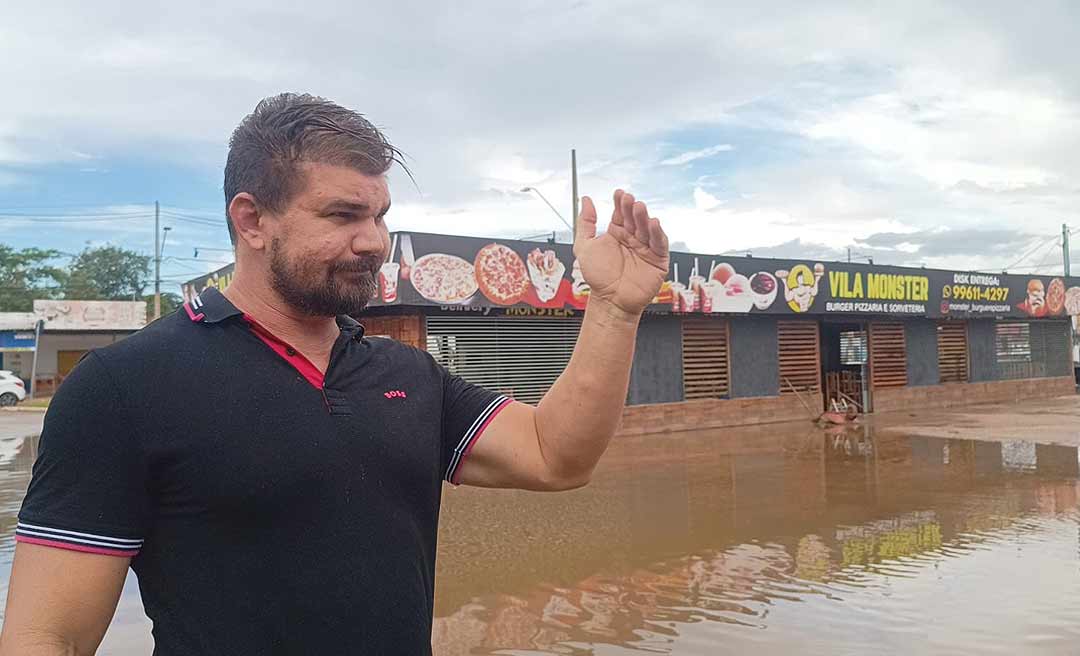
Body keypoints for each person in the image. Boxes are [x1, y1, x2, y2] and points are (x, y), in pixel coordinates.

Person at [0, 93, 669, 655]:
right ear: (252, 220)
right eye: (343, 215)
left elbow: (557, 456)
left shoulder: (407, 375)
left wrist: (613, 308)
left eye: (378, 215)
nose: (374, 240)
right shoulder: (125, 389)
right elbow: (46, 638)